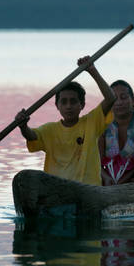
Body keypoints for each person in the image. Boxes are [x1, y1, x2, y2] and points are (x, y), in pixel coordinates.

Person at [15, 56, 115, 186]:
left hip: (87, 189)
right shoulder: (49, 130)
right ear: (57, 105)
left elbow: (111, 98)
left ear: (82, 105)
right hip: (57, 191)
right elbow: (31, 136)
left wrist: (92, 71)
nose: (68, 106)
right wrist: (23, 126)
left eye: (73, 102)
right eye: (64, 102)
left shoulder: (91, 122)